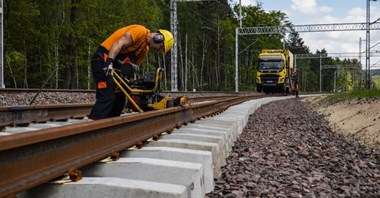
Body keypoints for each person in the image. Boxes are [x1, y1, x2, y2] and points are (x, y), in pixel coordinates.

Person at [89, 25, 174, 120]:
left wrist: (131, 82)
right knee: (107, 95)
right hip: (103, 60)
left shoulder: (144, 49)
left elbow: (132, 67)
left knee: (120, 99)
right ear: (158, 38)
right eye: (161, 47)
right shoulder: (140, 32)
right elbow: (119, 43)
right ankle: (92, 125)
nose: (158, 50)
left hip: (115, 67)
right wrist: (109, 62)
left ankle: (109, 127)